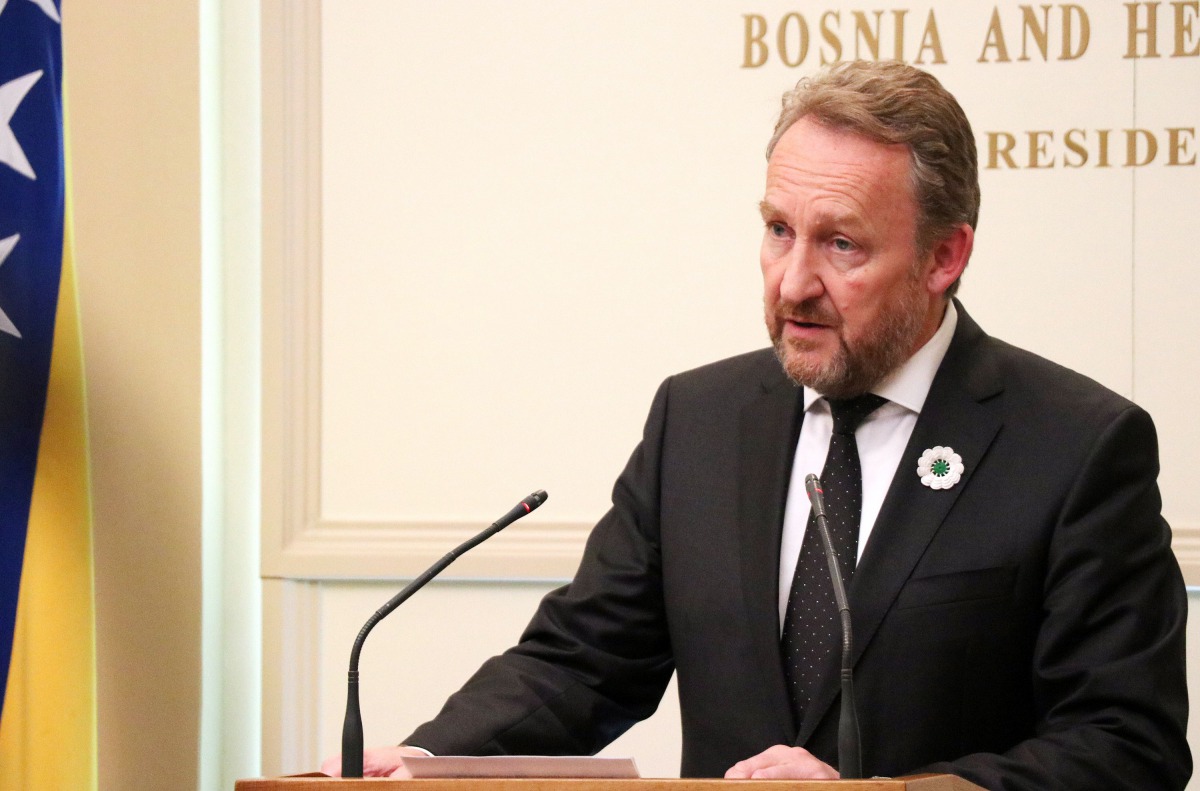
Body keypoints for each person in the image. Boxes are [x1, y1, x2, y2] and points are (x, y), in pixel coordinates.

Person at [322, 60, 1191, 788]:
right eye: (779, 231)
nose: (792, 282)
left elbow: (1126, 743)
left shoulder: (1075, 447)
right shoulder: (697, 420)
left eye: (841, 244)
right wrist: (432, 758)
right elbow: (582, 660)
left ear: (944, 255)